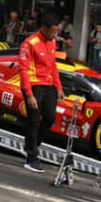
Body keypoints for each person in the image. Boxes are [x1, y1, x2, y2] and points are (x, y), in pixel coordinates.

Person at [19, 13, 64, 173]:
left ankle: (32, 144)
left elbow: (53, 66)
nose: (55, 35)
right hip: (34, 85)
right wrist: (29, 94)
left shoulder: (51, 44)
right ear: (44, 29)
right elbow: (23, 69)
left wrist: (59, 87)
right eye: (53, 32)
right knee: (33, 120)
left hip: (49, 84)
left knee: (50, 117)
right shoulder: (29, 43)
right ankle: (31, 158)